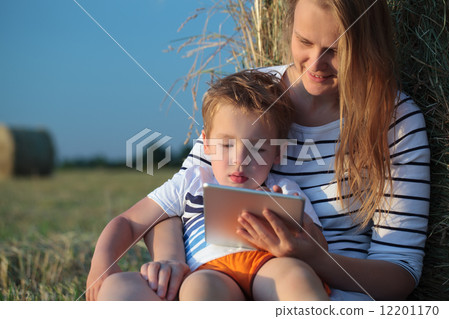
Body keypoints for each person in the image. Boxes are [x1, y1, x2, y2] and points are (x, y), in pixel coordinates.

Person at [91, 0, 430, 301]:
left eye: (336, 50)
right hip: (211, 275)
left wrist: (313, 257)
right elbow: (174, 207)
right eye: (304, 41)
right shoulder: (248, 98)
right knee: (126, 293)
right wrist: (171, 261)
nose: (316, 63)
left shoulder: (396, 122)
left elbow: (400, 272)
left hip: (321, 287)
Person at [86, 70, 329, 301]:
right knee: (195, 291)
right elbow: (129, 222)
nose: (239, 160)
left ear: (278, 153)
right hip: (208, 271)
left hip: (265, 264)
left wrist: (291, 227)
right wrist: (102, 262)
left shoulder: (285, 189)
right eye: (226, 145)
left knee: (297, 278)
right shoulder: (191, 181)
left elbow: (319, 249)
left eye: (257, 149)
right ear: (207, 144)